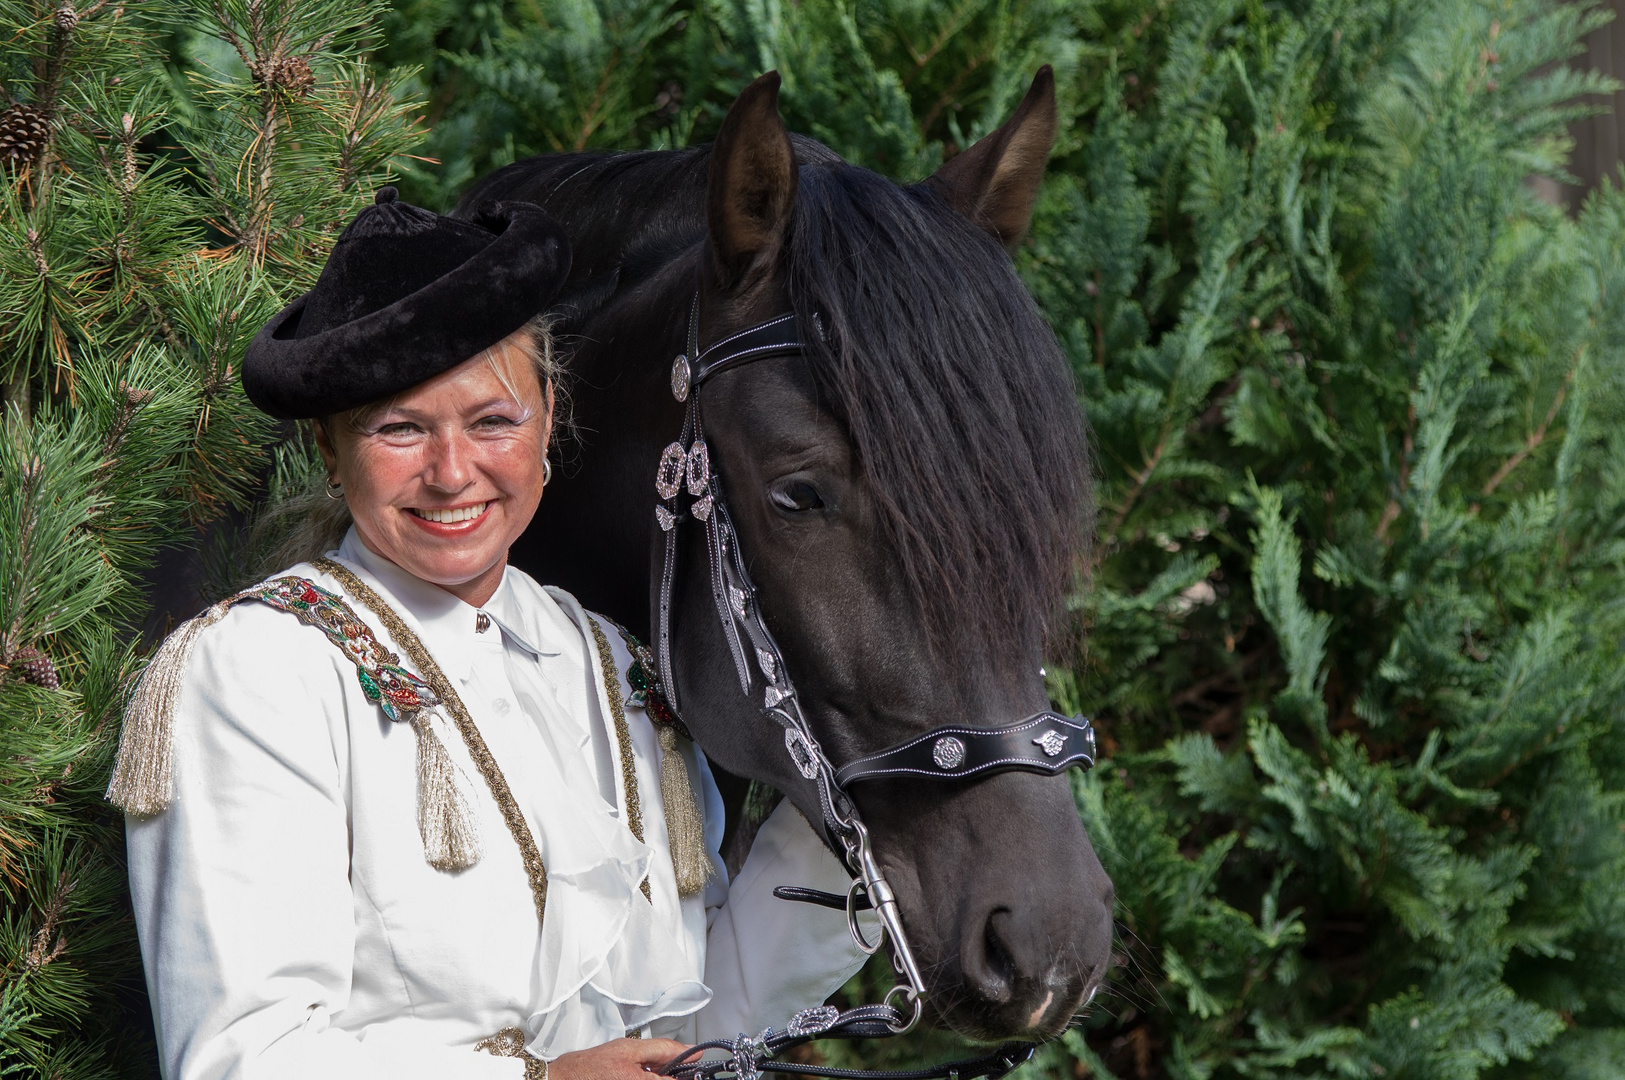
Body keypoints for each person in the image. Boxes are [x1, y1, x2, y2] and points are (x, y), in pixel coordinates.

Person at [106, 188, 869, 1080]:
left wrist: (861, 814)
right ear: (329, 450)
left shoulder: (613, 662)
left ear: (547, 415)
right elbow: (241, 1057)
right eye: (398, 429)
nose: (451, 471)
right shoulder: (257, 671)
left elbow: (707, 1011)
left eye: (491, 420)